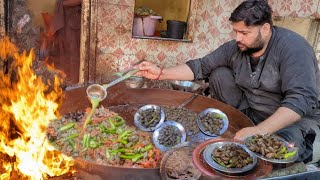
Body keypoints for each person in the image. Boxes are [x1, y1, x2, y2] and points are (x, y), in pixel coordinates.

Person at [136, 0, 320, 163]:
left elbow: (300, 100)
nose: (237, 38)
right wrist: (160, 73)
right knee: (219, 73)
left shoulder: (294, 48)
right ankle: (242, 124)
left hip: (294, 120)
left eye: (244, 32)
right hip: (255, 111)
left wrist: (259, 131)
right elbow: (201, 66)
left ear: (265, 29)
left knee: (276, 155)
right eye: (235, 31)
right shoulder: (236, 47)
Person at [48, 0, 82, 84]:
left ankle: (76, 84)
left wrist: (61, 4)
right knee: (65, 54)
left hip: (74, 24)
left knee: (75, 55)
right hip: (64, 24)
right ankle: (69, 82)